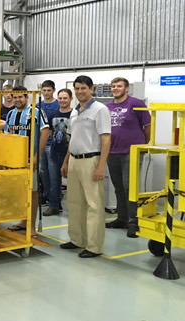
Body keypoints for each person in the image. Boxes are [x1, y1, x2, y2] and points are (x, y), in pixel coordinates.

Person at [60, 75, 111, 258]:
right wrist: (66, 161)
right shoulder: (75, 111)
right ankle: (77, 239)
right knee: (74, 202)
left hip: (91, 160)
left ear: (91, 89)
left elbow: (106, 139)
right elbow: (72, 138)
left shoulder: (100, 110)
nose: (80, 92)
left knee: (93, 204)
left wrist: (101, 166)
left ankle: (93, 246)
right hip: (74, 160)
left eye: (83, 88)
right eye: (77, 88)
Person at [105, 77, 151, 238]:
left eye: (119, 86)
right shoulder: (107, 107)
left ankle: (133, 222)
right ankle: (122, 218)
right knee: (118, 187)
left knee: (129, 187)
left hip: (131, 152)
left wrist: (142, 145)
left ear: (126, 89)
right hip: (112, 152)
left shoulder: (136, 103)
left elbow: (147, 126)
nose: (115, 89)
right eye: (113, 86)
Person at [4, 85, 50, 236]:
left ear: (26, 97)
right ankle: (23, 221)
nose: (17, 100)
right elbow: (6, 137)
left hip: (30, 160)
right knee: (19, 192)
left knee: (32, 192)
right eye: (15, 97)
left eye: (20, 97)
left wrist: (37, 156)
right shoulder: (10, 114)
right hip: (14, 161)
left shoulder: (36, 112)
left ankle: (31, 226)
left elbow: (45, 132)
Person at [43, 88, 73, 216]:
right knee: (54, 181)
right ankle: (54, 206)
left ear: (71, 99)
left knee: (73, 182)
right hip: (55, 152)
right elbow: (49, 132)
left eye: (65, 98)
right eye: (60, 98)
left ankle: (74, 208)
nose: (62, 100)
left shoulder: (74, 114)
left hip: (71, 153)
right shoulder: (53, 115)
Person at [37, 80, 60, 209]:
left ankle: (55, 202)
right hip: (41, 144)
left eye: (49, 90)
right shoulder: (37, 106)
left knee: (54, 174)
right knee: (43, 172)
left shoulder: (58, 105)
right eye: (44, 90)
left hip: (52, 145)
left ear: (53, 90)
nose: (46, 93)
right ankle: (46, 195)